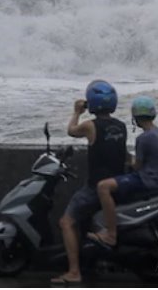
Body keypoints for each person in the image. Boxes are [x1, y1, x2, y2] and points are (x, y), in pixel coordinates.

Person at [50, 80, 127, 285]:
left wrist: (76, 111)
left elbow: (71, 131)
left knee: (66, 222)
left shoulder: (90, 126)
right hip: (118, 183)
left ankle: (74, 271)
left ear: (92, 103)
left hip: (96, 188)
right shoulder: (121, 126)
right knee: (84, 221)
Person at [87, 96, 158, 248]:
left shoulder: (144, 138)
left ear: (136, 118)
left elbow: (137, 167)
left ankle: (110, 235)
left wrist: (130, 161)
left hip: (148, 180)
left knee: (103, 187)